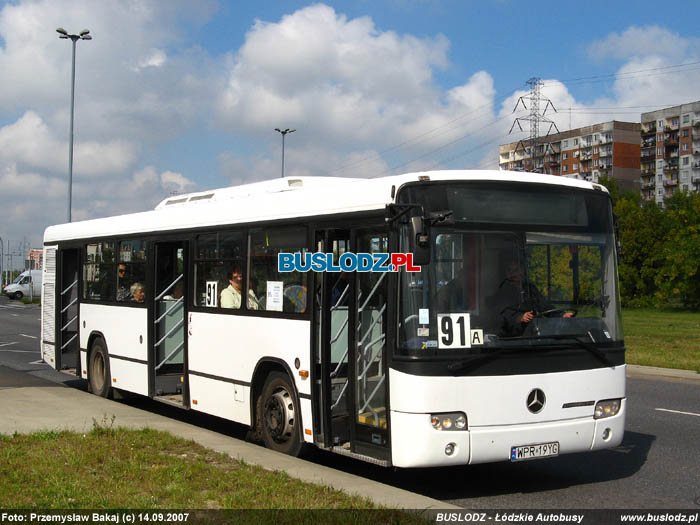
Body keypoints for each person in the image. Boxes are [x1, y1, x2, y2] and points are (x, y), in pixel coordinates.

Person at [495, 260, 573, 337]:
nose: (512, 274)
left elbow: (544, 306)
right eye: (509, 270)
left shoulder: (530, 288)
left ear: (522, 271)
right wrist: (519, 318)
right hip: (510, 339)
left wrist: (562, 315)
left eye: (516, 270)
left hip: (531, 336)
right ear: (505, 273)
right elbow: (501, 314)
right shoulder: (502, 291)